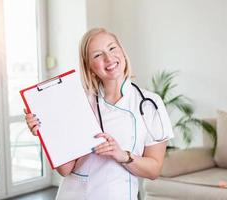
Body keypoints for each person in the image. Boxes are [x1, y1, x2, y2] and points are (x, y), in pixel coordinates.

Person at [24, 27, 174, 200]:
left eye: (112, 48)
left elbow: (154, 170)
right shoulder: (78, 103)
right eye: (97, 55)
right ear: (90, 67)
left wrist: (122, 155)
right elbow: (65, 170)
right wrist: (47, 132)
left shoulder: (149, 104)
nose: (108, 58)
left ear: (122, 52)